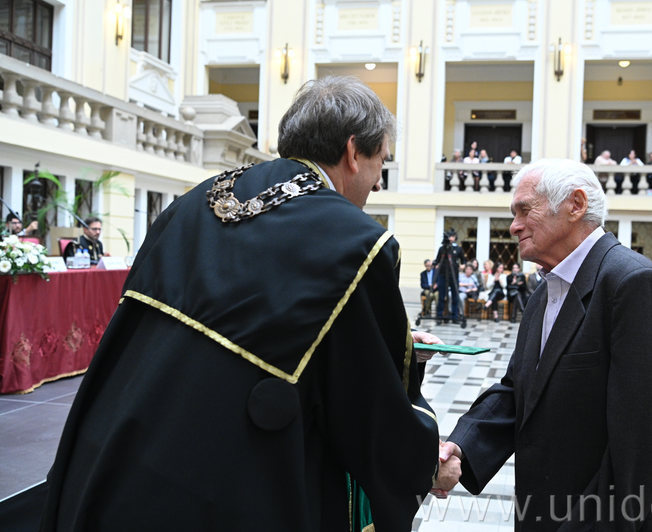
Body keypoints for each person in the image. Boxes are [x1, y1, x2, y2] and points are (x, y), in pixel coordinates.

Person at [40, 76, 444, 532]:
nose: (377, 182)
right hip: (225, 490)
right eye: (381, 162)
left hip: (112, 463)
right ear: (353, 152)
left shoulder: (193, 202)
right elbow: (368, 410)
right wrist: (427, 462)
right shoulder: (355, 242)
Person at [436, 159, 652, 531]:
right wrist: (460, 447)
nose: (514, 225)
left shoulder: (631, 282)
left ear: (576, 205)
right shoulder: (546, 291)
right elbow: (518, 391)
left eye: (525, 210)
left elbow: (647, 437)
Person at [434, 229, 466, 323]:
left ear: (455, 237)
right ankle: (439, 316)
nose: (451, 238)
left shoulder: (458, 249)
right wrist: (434, 263)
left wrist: (463, 265)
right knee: (441, 296)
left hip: (454, 275)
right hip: (443, 274)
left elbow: (463, 260)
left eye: (452, 236)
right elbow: (437, 260)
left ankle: (455, 316)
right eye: (449, 236)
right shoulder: (442, 249)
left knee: (455, 296)